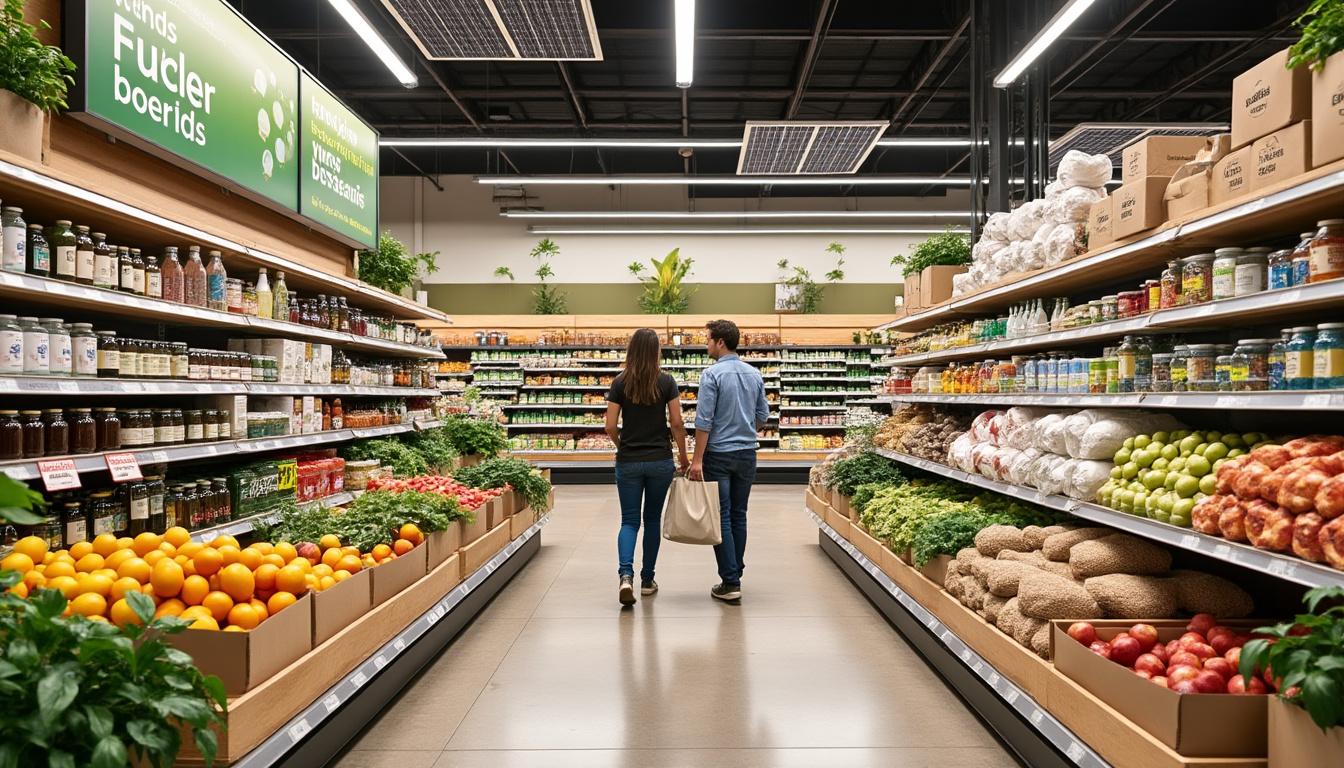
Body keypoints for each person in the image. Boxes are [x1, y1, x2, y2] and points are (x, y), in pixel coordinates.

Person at [605, 328, 689, 606]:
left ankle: (625, 575)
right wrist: (684, 457)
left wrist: (622, 445)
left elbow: (609, 426)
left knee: (629, 521)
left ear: (631, 350)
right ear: (656, 352)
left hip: (628, 461)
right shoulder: (666, 381)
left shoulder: (620, 382)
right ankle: (648, 579)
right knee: (652, 520)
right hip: (659, 461)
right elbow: (676, 423)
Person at [688, 319, 770, 602]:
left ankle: (730, 580)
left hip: (719, 455)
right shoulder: (754, 374)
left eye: (708, 339)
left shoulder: (711, 375)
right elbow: (763, 416)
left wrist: (697, 460)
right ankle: (736, 569)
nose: (706, 343)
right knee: (739, 514)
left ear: (720, 342)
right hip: (747, 454)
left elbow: (704, 421)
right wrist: (745, 428)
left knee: (721, 516)